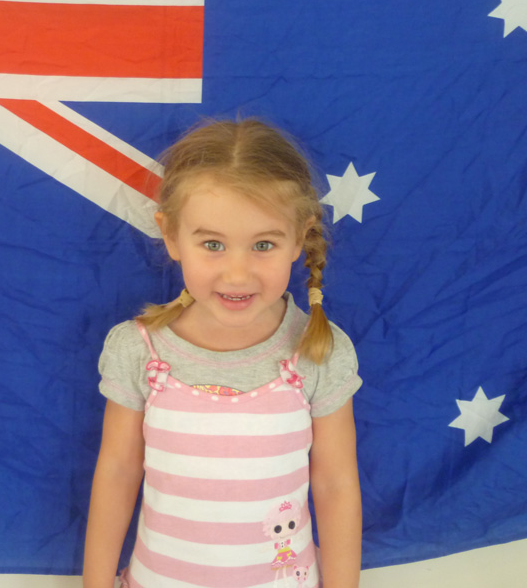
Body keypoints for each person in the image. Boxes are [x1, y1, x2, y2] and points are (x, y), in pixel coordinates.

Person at [83, 119, 362, 588]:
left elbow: (335, 486)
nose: (237, 274)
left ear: (299, 238)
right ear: (171, 236)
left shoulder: (319, 351)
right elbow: (116, 470)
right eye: (212, 244)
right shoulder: (137, 350)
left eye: (263, 245)